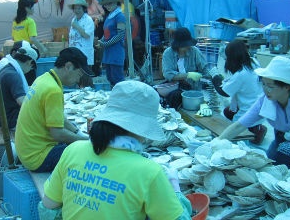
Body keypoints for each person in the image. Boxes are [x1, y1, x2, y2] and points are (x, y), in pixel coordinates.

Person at [38, 80, 192, 220]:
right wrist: (175, 188)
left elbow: (47, 209)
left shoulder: (73, 150)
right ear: (142, 129)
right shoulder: (149, 171)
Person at [15, 47, 92, 173]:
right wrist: (86, 142)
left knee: (74, 141)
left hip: (26, 151)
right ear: (68, 66)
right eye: (79, 74)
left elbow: (59, 117)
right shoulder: (53, 90)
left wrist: (78, 132)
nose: (78, 80)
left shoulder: (44, 79)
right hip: (37, 158)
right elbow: (57, 134)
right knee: (85, 153)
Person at [218, 56, 290, 169]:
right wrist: (218, 142)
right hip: (281, 137)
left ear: (287, 87)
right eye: (263, 84)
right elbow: (239, 125)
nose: (265, 90)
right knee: (271, 165)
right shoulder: (265, 101)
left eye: (271, 86)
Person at [210, 40, 267, 145]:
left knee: (233, 132)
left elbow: (224, 92)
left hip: (248, 109)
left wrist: (215, 77)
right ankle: (257, 127)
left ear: (232, 57)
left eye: (227, 57)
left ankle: (256, 130)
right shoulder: (253, 62)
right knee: (228, 111)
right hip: (259, 106)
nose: (226, 59)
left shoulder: (241, 74)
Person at [0, 45, 38, 130]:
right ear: (29, 62)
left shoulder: (6, 69)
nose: (30, 70)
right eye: (32, 67)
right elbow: (23, 102)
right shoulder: (13, 75)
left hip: (3, 118)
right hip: (11, 121)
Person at [161, 27, 210, 109]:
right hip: (175, 89)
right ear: (178, 45)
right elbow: (168, 74)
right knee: (174, 98)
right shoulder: (168, 53)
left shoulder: (194, 51)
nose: (188, 47)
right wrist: (188, 75)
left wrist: (214, 75)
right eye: (185, 45)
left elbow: (204, 68)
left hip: (193, 89)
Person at [97, 0, 126, 87]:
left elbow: (121, 35)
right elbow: (106, 33)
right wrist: (101, 41)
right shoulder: (109, 16)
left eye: (109, 3)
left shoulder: (120, 16)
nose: (107, 6)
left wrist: (105, 43)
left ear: (115, 2)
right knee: (110, 78)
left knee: (118, 79)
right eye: (105, 4)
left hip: (116, 52)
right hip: (108, 53)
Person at [68, 0, 95, 74]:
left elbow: (86, 35)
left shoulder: (88, 20)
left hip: (84, 53)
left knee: (85, 76)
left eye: (79, 8)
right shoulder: (74, 20)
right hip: (74, 54)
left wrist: (77, 26)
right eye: (75, 8)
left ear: (84, 9)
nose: (77, 11)